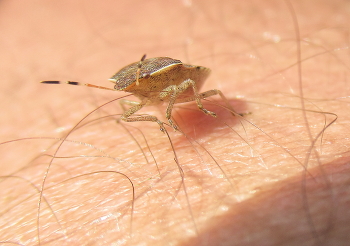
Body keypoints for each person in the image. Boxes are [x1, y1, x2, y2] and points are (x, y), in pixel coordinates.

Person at [0, 0, 349, 245]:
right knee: (130, 115)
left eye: (137, 88)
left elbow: (182, 84)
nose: (133, 96)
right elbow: (129, 112)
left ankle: (212, 110)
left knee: (191, 97)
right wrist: (150, 114)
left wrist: (169, 113)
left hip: (184, 83)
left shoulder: (173, 82)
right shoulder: (137, 93)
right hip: (162, 89)